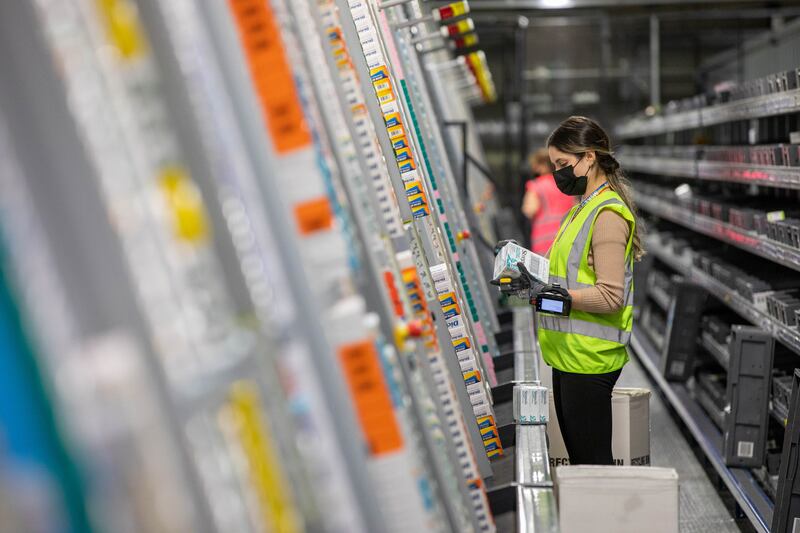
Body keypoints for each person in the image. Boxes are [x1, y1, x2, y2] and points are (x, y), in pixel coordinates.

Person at [537, 116, 644, 465]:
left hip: (589, 359)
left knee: (593, 466)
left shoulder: (607, 215)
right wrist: (530, 281)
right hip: (569, 354)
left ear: (589, 157)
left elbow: (611, 297)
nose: (559, 174)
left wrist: (559, 298)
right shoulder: (580, 209)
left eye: (562, 164)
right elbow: (566, 275)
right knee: (581, 463)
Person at [522, 149, 576, 256]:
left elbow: (530, 210)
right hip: (566, 233)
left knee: (544, 265)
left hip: (544, 237)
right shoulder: (566, 185)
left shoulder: (536, 185)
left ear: (542, 165)